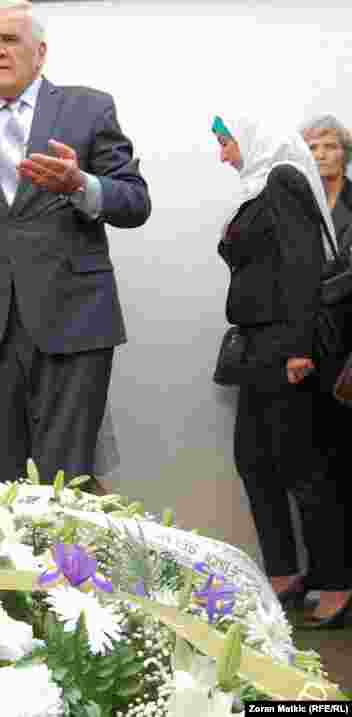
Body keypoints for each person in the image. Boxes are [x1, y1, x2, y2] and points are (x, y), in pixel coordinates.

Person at [0, 0, 149, 485]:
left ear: (40, 52)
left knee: (65, 481)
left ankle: (63, 565)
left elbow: (135, 202)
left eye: (8, 40)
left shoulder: (89, 108)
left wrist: (81, 184)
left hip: (72, 321)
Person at [212, 114, 350, 628]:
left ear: (252, 139)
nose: (224, 154)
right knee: (253, 459)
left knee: (302, 466)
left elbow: (302, 264)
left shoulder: (282, 179)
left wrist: (298, 348)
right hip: (255, 345)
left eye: (227, 143)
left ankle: (335, 582)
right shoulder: (254, 190)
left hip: (283, 345)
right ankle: (284, 572)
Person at [301, 115, 352, 250]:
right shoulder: (295, 202)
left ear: (345, 152)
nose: (321, 155)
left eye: (330, 146)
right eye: (312, 148)